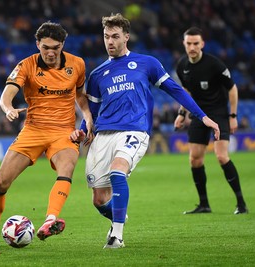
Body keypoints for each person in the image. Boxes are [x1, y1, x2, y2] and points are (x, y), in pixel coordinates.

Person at [70, 13, 220, 249]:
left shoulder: (146, 63)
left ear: (126, 37)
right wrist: (82, 131)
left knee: (118, 173)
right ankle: (118, 215)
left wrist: (202, 116)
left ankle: (116, 236)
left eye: (115, 36)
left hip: (134, 130)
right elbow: (92, 113)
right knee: (99, 199)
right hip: (103, 135)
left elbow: (175, 90)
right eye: (106, 36)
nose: (110, 41)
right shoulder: (97, 75)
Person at [0, 21, 93, 249]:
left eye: (55, 47)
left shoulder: (77, 64)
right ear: (37, 44)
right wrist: (9, 109)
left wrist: (87, 116)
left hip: (63, 131)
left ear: (62, 45)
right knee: (1, 182)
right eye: (46, 47)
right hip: (33, 130)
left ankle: (50, 220)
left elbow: (80, 95)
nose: (51, 52)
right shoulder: (26, 65)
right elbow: (6, 96)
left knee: (67, 169)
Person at [174, 27, 248, 215]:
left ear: (202, 44)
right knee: (195, 160)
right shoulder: (182, 65)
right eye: (189, 43)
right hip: (198, 115)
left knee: (222, 156)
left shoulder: (215, 64)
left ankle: (241, 204)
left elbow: (232, 89)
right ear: (184, 44)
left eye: (196, 43)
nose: (192, 47)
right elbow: (186, 92)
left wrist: (233, 116)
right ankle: (204, 205)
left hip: (218, 113)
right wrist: (182, 113)